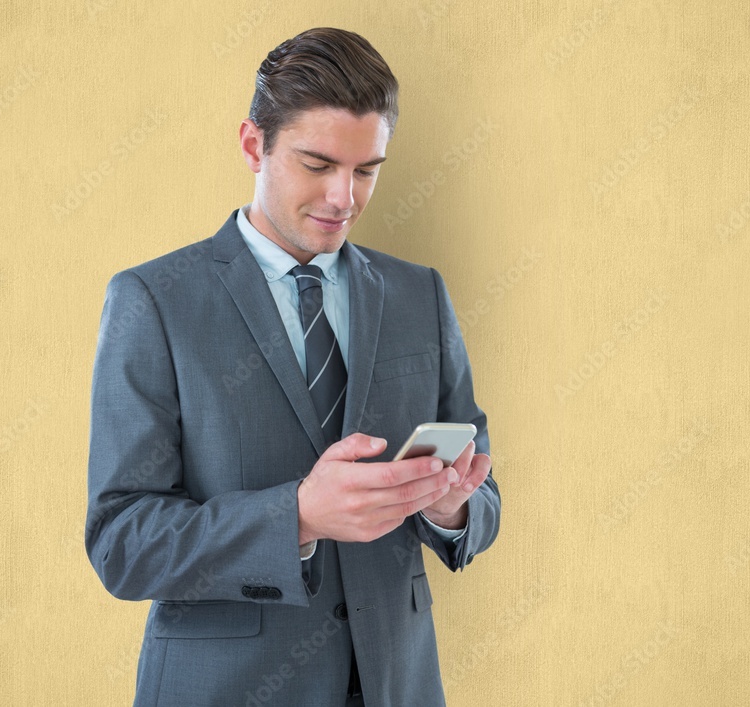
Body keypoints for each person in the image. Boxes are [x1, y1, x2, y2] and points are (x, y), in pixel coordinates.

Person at [85, 26, 500, 707]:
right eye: (318, 165)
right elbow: (123, 541)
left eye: (367, 170)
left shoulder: (419, 294)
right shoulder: (155, 301)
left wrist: (453, 505)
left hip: (399, 685)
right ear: (254, 144)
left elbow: (482, 494)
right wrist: (297, 517)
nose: (345, 197)